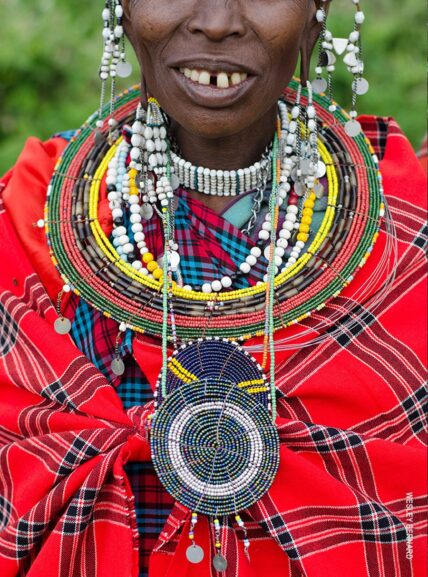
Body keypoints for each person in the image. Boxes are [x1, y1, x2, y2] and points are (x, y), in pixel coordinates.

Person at [0, 2, 426, 577]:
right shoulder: (26, 230)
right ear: (121, 10)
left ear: (317, 12)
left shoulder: (401, 236)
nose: (218, 20)